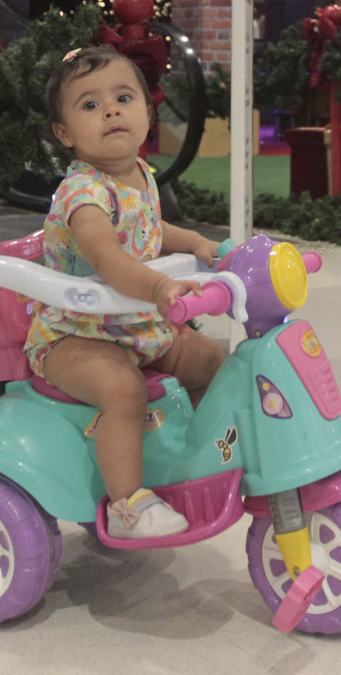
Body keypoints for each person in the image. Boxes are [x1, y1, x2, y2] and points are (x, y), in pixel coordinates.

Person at [27, 47, 229, 537]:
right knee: (123, 390)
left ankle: (196, 455)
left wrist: (197, 243)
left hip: (134, 327)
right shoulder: (82, 193)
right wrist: (159, 286)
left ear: (147, 112)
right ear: (64, 134)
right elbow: (108, 257)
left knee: (210, 359)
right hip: (74, 334)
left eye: (123, 98)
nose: (111, 111)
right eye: (90, 105)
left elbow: (150, 228)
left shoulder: (139, 174)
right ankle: (128, 506)